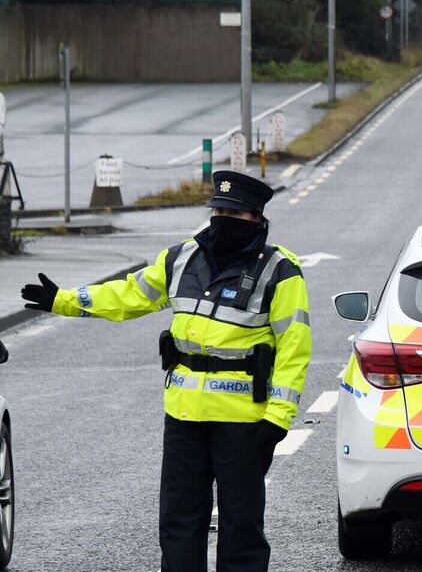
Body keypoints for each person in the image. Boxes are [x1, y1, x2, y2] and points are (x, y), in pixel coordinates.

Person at [20, 171, 311, 572]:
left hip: (243, 421)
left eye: (234, 214)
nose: (223, 219)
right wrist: (64, 300)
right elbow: (130, 294)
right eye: (218, 211)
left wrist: (277, 419)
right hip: (184, 415)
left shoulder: (280, 270)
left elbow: (294, 348)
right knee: (179, 524)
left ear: (257, 218)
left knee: (241, 528)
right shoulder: (181, 258)